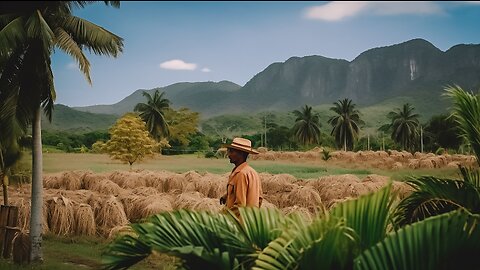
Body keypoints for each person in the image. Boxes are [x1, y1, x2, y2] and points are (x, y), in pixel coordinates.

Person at [219, 137, 263, 218]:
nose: (228, 155)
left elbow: (239, 205)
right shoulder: (252, 172)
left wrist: (221, 217)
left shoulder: (241, 174)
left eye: (231, 152)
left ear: (241, 154)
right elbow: (259, 198)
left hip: (239, 223)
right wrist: (227, 196)